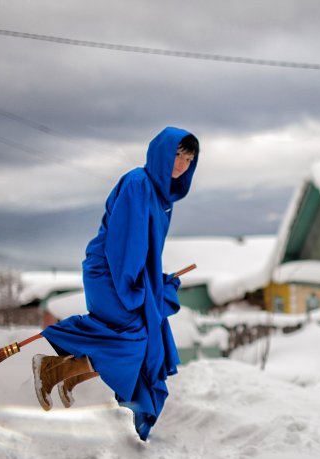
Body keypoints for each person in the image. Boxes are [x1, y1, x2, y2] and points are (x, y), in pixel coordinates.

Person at [32, 126, 199, 441]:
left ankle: (66, 373)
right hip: (111, 272)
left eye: (188, 159)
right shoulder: (138, 183)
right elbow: (125, 242)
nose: (181, 164)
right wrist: (135, 287)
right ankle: (51, 369)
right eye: (177, 154)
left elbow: (147, 250)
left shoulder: (164, 199)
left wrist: (155, 281)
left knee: (142, 337)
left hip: (130, 273)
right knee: (133, 338)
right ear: (161, 152)